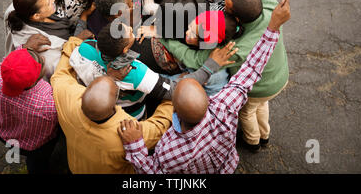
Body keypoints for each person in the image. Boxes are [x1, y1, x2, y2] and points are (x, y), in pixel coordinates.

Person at [118, 0, 291, 173]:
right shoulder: (225, 108)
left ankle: (253, 141)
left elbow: (152, 170)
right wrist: (273, 28)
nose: (187, 35)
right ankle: (260, 139)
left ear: (173, 109)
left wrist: (136, 146)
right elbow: (252, 69)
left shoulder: (170, 149)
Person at [51, 33, 234, 173]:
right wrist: (178, 98)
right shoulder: (128, 132)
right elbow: (161, 123)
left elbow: (60, 74)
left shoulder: (66, 99)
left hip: (77, 167)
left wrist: (75, 40)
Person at [161, 0, 289, 152]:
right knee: (261, 106)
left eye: (227, 6)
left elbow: (196, 59)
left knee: (247, 113)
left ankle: (253, 142)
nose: (222, 5)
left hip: (258, 88)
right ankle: (265, 135)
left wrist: (164, 38)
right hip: (277, 77)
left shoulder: (229, 51)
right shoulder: (270, 9)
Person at [72, 21, 236, 119]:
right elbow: (175, 90)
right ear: (124, 51)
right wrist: (209, 67)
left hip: (95, 104)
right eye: (129, 31)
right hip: (130, 114)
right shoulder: (134, 71)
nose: (131, 28)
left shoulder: (84, 48)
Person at [0, 34, 59, 174]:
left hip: (4, 133)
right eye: (40, 64)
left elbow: (6, 66)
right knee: (38, 164)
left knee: (16, 150)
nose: (41, 58)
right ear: (34, 81)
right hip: (37, 145)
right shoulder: (48, 104)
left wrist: (24, 49)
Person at [6, 0, 95, 81]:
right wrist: (82, 22)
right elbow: (65, 67)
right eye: (48, 3)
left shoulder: (24, 11)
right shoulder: (46, 49)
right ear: (36, 16)